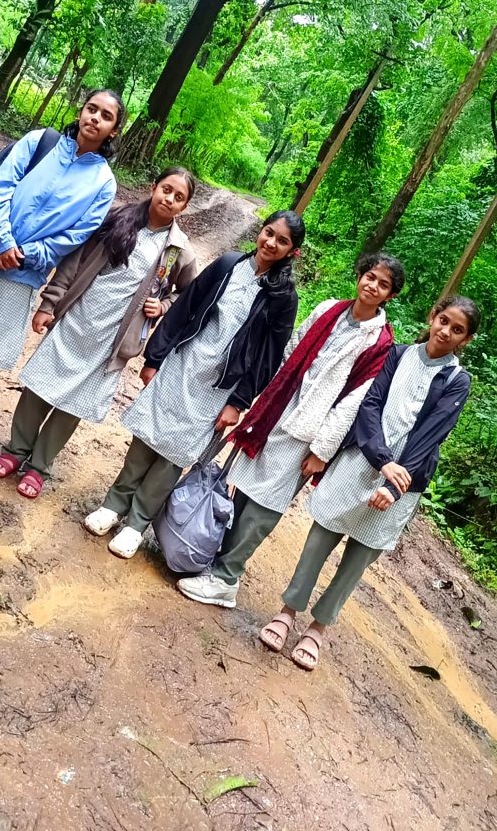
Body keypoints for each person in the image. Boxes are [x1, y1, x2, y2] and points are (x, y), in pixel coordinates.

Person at [258, 294, 479, 670]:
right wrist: (382, 460)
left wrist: (394, 485)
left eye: (457, 330)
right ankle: (288, 610)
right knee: (320, 538)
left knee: (358, 558)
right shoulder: (398, 354)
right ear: (433, 316)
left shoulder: (457, 381)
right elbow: (371, 404)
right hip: (360, 461)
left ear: (466, 339)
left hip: (404, 482)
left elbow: (430, 435)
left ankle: (318, 628)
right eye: (443, 321)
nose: (446, 331)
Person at [177, 252, 405, 609]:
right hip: (279, 410)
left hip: (309, 432)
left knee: (266, 505)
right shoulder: (330, 310)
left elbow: (353, 404)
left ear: (391, 295)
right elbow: (292, 349)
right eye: (370, 276)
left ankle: (226, 579)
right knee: (244, 489)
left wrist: (321, 451)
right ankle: (215, 559)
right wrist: (268, 398)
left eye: (383, 284)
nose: (373, 286)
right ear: (360, 275)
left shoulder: (380, 345)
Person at [84, 210, 305, 559]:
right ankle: (114, 505)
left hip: (218, 387)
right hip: (182, 363)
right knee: (146, 437)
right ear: (261, 231)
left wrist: (238, 401)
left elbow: (269, 357)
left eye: (282, 241)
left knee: (174, 456)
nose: (271, 243)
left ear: (292, 251)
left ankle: (136, 524)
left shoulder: (283, 298)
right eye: (269, 233)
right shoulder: (228, 265)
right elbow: (184, 308)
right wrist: (155, 357)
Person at [0, 89, 124, 443]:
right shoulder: (40, 142)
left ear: (114, 130)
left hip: (23, 273)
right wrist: (1, 241)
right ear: (80, 111)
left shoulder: (103, 183)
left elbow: (75, 235)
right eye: (91, 109)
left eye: (106, 116)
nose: (95, 118)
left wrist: (21, 255)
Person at [0, 168, 197, 499]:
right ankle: (16, 450)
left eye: (179, 197)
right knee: (39, 386)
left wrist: (164, 305)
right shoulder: (116, 217)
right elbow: (75, 260)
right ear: (153, 186)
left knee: (75, 403)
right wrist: (50, 303)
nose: (169, 199)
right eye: (166, 189)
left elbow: (188, 294)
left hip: (113, 341)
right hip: (77, 318)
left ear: (184, 207)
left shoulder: (179, 251)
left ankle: (39, 466)